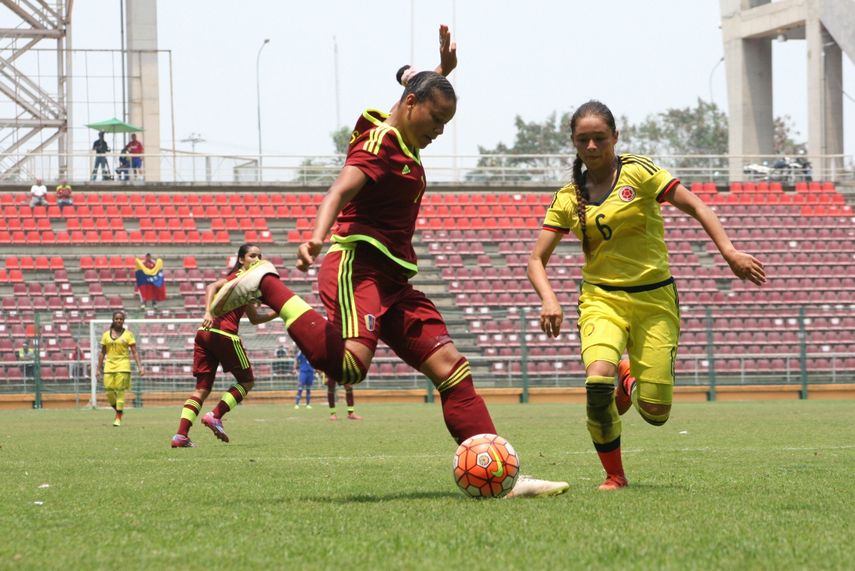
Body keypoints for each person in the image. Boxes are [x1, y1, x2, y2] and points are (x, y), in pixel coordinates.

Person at [207, 25, 568, 498]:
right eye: (436, 120)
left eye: (446, 123)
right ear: (413, 105)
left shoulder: (405, 127)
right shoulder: (380, 144)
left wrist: (442, 71)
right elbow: (340, 189)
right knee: (350, 368)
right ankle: (266, 283)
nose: (439, 131)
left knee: (452, 367)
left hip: (394, 279)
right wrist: (315, 237)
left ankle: (504, 476)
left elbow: (415, 89)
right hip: (359, 266)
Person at [526, 100, 767, 491]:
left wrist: (729, 252)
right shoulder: (568, 198)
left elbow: (696, 205)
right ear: (573, 142)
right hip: (601, 300)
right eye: (583, 140)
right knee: (596, 384)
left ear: (615, 137)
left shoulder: (639, 172)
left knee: (655, 412)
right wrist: (549, 299)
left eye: (599, 138)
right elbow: (536, 259)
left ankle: (629, 378)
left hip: (655, 300)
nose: (591, 146)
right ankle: (615, 475)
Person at [171, 244, 279, 448]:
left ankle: (180, 436)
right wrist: (208, 312)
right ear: (241, 259)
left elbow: (255, 318)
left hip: (204, 334)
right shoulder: (239, 277)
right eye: (252, 255)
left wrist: (279, 311)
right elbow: (211, 287)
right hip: (224, 334)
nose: (257, 259)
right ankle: (215, 415)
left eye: (259, 256)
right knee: (247, 381)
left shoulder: (245, 285)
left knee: (201, 389)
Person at [96, 310, 144, 427]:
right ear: (113, 320)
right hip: (109, 365)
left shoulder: (128, 334)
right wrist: (98, 369)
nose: (119, 320)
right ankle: (119, 411)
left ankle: (118, 417)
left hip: (123, 365)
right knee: (109, 392)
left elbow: (134, 351)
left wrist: (140, 367)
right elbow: (102, 352)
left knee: (120, 391)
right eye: (117, 319)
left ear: (123, 321)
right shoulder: (106, 335)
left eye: (121, 319)